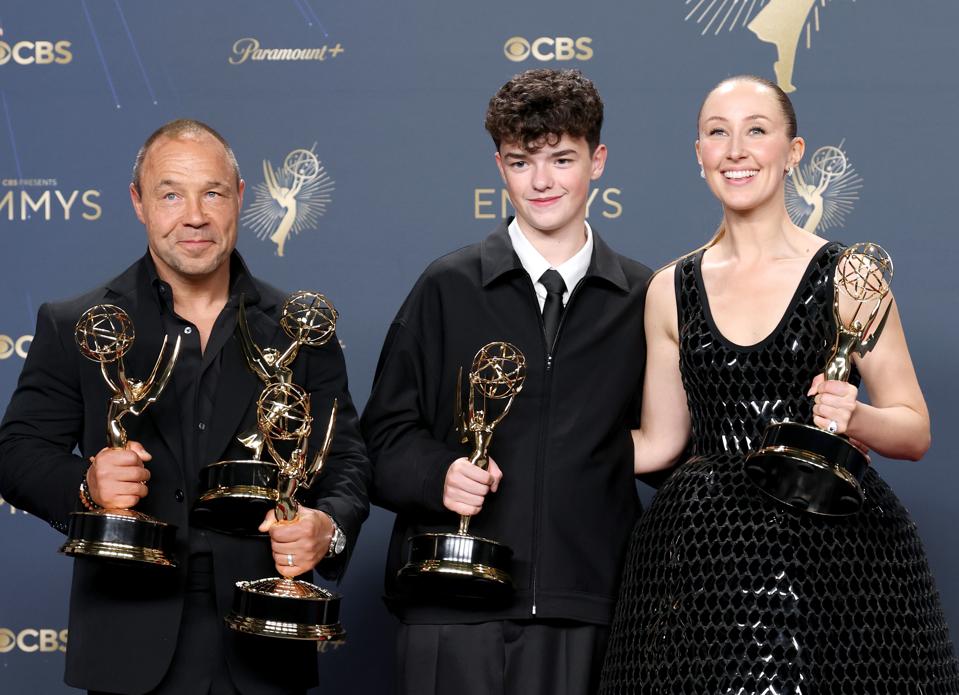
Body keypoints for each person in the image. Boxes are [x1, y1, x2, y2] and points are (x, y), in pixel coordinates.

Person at [598, 75, 959, 694]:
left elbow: (915, 429)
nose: (736, 149)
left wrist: (857, 417)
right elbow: (659, 444)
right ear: (700, 156)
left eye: (757, 131)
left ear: (793, 152)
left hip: (833, 565)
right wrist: (543, 447)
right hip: (704, 564)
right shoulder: (669, 289)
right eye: (718, 133)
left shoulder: (850, 275)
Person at [0, 119, 371, 695]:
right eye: (171, 193)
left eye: (213, 193)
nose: (194, 215)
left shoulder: (302, 330)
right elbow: (17, 454)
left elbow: (345, 460)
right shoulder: (75, 324)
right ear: (139, 203)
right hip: (128, 643)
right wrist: (86, 484)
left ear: (241, 199)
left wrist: (329, 527)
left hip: (265, 642)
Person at [361, 68, 652, 695]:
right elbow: (377, 441)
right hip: (451, 603)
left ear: (597, 161)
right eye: (522, 162)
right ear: (499, 166)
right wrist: (437, 473)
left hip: (588, 608)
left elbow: (675, 447)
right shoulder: (447, 287)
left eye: (562, 159)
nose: (541, 181)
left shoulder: (645, 300)